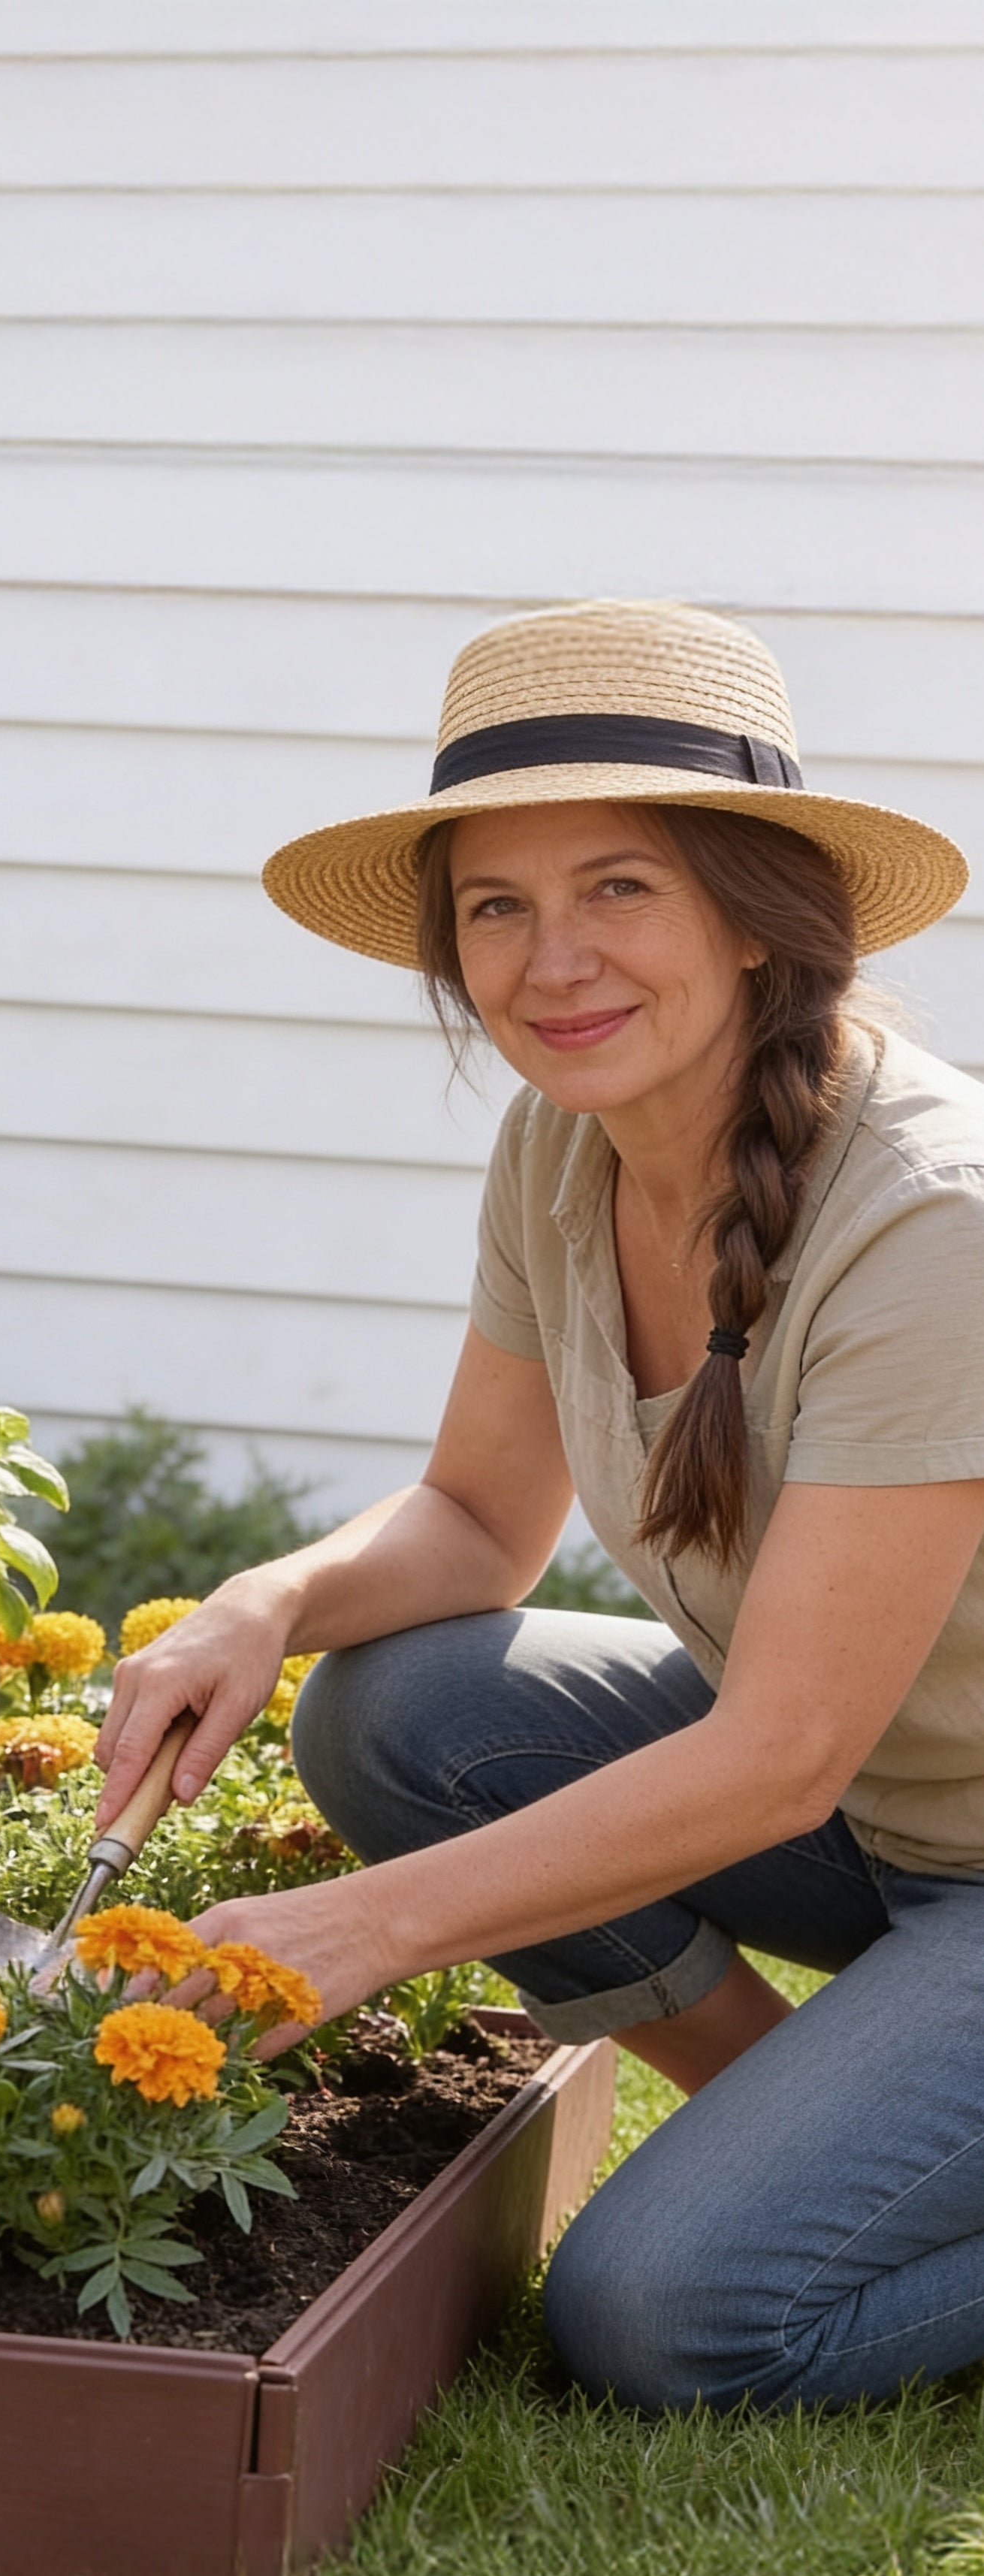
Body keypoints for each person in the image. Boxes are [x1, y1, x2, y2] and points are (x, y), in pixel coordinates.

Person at [93, 597, 984, 2410]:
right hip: (889, 1816)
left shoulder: (932, 1227)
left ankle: (797, 2192)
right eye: (496, 907)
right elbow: (475, 1528)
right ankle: (804, 2140)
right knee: (406, 1706)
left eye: (620, 889)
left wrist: (368, 1928)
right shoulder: (566, 1141)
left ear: (754, 912)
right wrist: (259, 1602)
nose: (551, 960)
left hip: (887, 1808)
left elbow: (778, 1758)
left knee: (664, 2320)